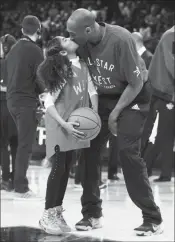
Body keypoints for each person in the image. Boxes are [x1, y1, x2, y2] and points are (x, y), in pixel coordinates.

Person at [67, 9, 163, 235]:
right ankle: (92, 213)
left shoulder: (121, 39)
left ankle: (152, 218)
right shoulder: (82, 44)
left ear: (88, 30)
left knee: (128, 153)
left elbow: (136, 83)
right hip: (104, 98)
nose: (70, 38)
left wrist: (114, 113)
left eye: (72, 34)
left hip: (133, 97)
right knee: (88, 148)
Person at [37, 36, 98, 235]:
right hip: (60, 124)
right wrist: (64, 124)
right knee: (59, 168)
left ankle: (56, 211)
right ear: (63, 52)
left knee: (66, 168)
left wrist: (94, 114)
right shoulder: (63, 70)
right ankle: (47, 213)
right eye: (65, 39)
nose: (70, 37)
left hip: (74, 124)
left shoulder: (81, 65)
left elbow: (92, 91)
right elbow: (48, 103)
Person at [6, 15, 45, 199]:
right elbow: (41, 78)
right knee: (24, 145)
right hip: (26, 102)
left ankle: (13, 181)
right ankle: (21, 186)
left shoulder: (12, 50)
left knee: (17, 144)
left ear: (22, 30)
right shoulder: (35, 50)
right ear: (38, 31)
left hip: (10, 101)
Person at [144, 26, 175, 182]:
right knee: (164, 134)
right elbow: (171, 65)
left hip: (167, 92)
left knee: (167, 135)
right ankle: (145, 168)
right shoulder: (171, 36)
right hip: (166, 93)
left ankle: (165, 173)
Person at [0, 34, 18, 191]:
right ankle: (16, 178)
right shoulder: (21, 64)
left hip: (3, 108)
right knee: (16, 146)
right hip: (19, 110)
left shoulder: (2, 64)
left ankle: (5, 179)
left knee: (2, 145)